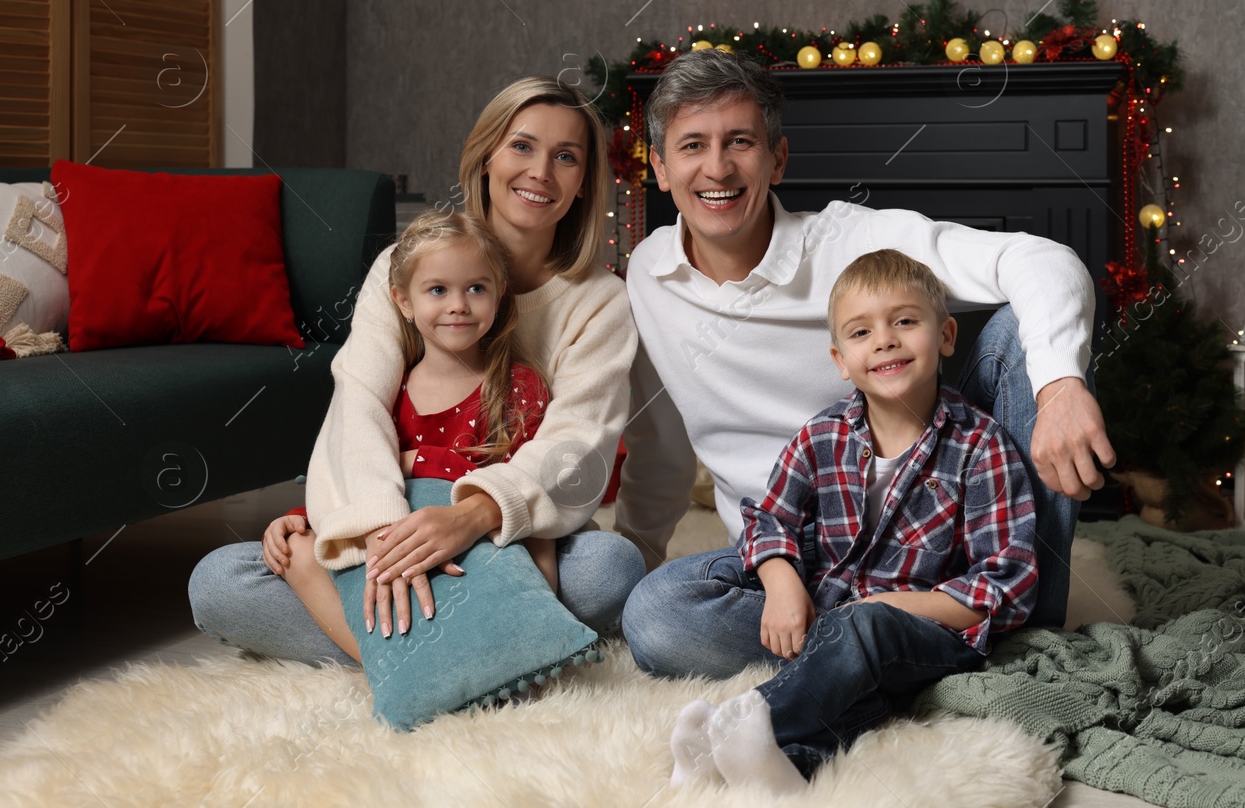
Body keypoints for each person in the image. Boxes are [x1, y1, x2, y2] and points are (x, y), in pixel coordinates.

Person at [616, 50, 1114, 678]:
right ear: (659, 167)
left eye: (740, 141)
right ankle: (901, 634)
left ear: (778, 159)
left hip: (931, 531)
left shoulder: (849, 243)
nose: (717, 167)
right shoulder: (648, 275)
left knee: (1023, 334)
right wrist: (640, 553)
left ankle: (1021, 626)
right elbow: (658, 443)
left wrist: (1060, 387)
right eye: (693, 146)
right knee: (657, 616)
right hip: (789, 561)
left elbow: (1043, 259)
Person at [189, 78, 644, 664]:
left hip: (510, 535)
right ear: (485, 158)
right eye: (522, 147)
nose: (540, 172)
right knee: (220, 581)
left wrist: (471, 516)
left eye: (566, 157)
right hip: (397, 521)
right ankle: (475, 652)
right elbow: (360, 403)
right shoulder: (403, 266)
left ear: (585, 182)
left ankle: (404, 653)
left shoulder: (601, 301)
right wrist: (382, 539)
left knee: (610, 570)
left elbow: (575, 446)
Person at [668, 249, 1038, 793]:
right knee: (669, 599)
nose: (885, 340)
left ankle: (748, 723)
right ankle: (787, 762)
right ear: (841, 360)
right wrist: (782, 582)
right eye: (861, 332)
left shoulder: (980, 446)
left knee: (862, 629)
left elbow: (1008, 581)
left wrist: (884, 608)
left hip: (923, 630)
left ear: (946, 336)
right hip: (826, 612)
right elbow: (768, 516)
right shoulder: (823, 436)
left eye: (905, 321)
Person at [260, 209, 559, 659]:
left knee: (602, 568)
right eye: (437, 290)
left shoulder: (520, 389)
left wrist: (543, 616)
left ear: (499, 296)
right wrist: (299, 517)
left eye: (476, 288)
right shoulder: (385, 391)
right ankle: (399, 664)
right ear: (402, 301)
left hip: (477, 564)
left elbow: (532, 506)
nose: (458, 304)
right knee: (271, 561)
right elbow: (353, 474)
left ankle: (445, 656)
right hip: (386, 566)